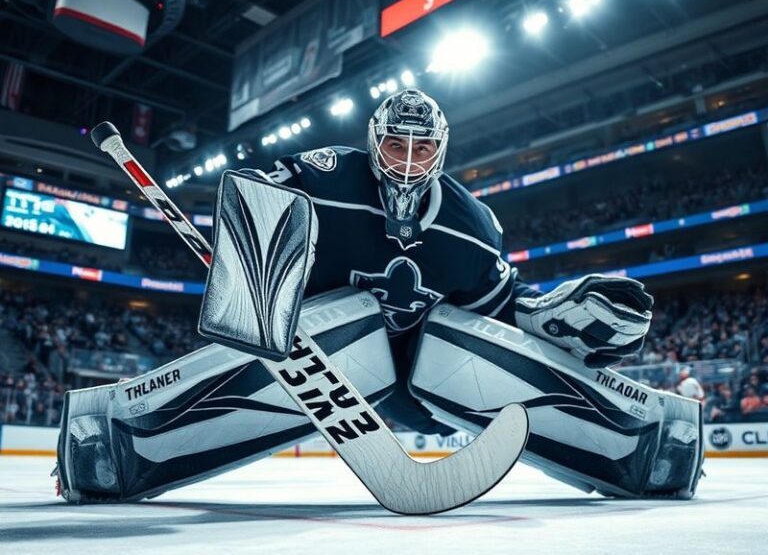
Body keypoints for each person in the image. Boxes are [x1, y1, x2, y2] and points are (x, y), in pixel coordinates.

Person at [57, 89, 702, 505]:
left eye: (423, 147)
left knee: (448, 338)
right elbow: (253, 186)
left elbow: (498, 311)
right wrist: (255, 241)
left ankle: (643, 441)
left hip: (435, 381)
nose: (409, 158)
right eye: (397, 142)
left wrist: (547, 315)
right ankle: (115, 439)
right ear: (374, 140)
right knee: (356, 324)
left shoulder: (473, 227)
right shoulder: (329, 174)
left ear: (442, 151)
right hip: (329, 360)